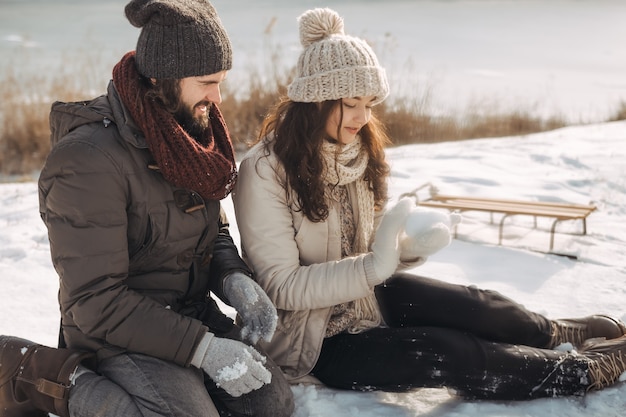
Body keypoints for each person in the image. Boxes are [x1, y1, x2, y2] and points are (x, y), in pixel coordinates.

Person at [232, 7, 626, 401]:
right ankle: (579, 371)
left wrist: (402, 251)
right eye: (351, 102)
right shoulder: (264, 171)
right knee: (447, 352)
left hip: (365, 301)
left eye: (370, 103)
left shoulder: (357, 154)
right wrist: (375, 266)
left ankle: (555, 333)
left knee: (474, 305)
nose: (362, 117)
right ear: (314, 101)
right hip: (309, 342)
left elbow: (372, 251)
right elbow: (279, 287)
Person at [0, 1, 294, 417]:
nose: (218, 97)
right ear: (162, 76)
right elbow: (96, 302)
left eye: (222, 81)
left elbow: (212, 229)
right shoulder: (87, 160)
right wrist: (202, 349)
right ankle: (48, 378)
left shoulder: (191, 138)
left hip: (187, 313)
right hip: (114, 334)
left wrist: (233, 279)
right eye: (207, 82)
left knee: (271, 403)